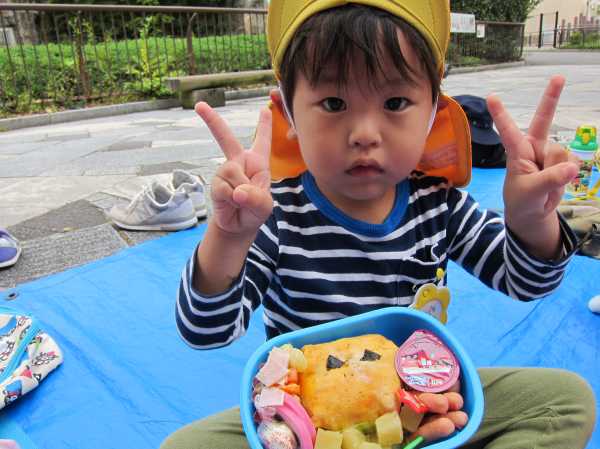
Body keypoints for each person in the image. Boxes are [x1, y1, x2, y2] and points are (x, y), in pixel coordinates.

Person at [163, 0, 597, 448]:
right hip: (305, 426)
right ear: (288, 114)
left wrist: (531, 220)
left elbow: (526, 282)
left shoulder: (439, 205)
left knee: (565, 401)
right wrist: (229, 236)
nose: (365, 133)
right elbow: (205, 330)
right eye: (334, 103)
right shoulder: (276, 216)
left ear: (432, 113)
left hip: (424, 403)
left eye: (395, 102)